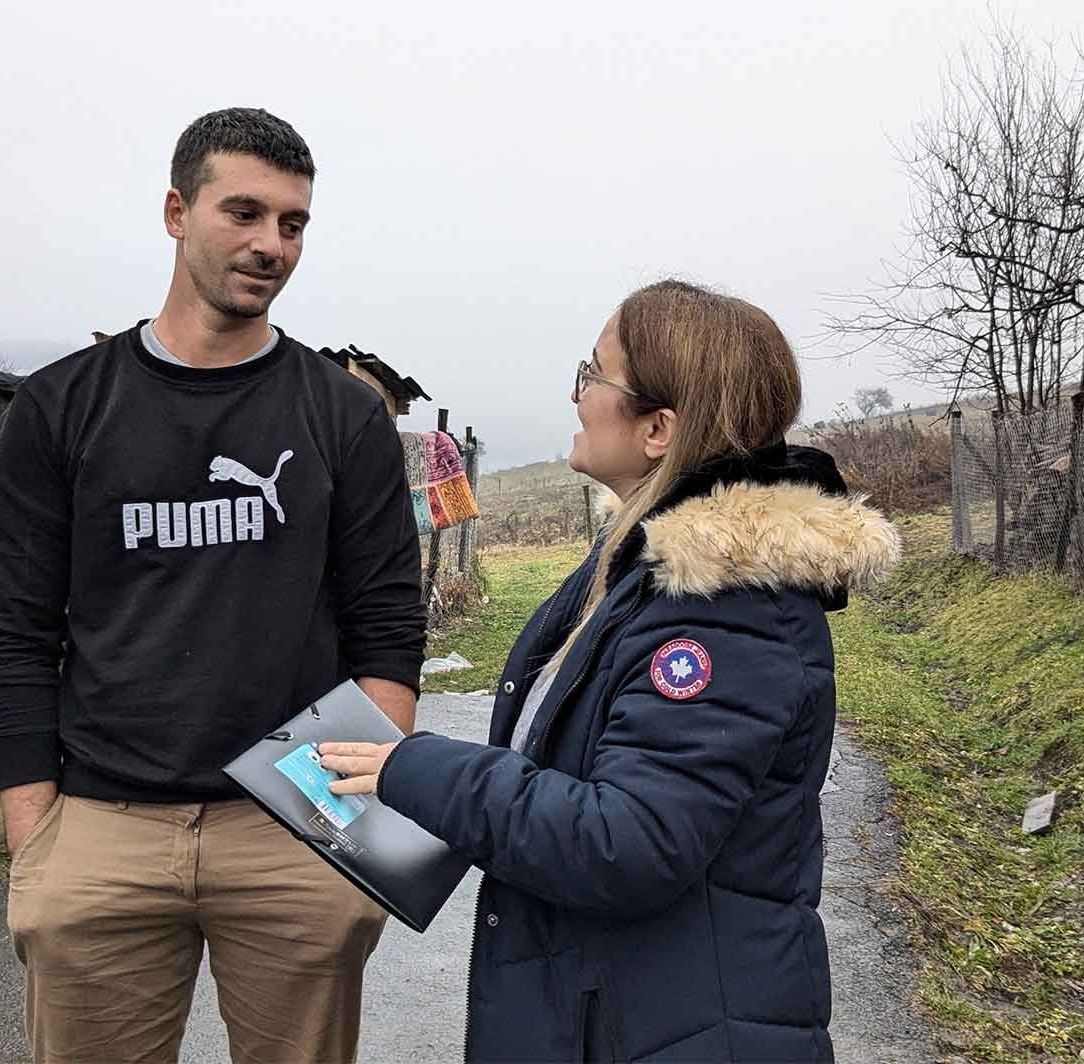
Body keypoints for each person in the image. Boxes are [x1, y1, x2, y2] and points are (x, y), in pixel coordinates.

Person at [321, 280, 902, 1062]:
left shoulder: (727, 607)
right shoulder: (645, 565)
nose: (576, 395)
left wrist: (420, 771)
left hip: (675, 1032)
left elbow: (629, 841)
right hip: (623, 1010)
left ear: (658, 427)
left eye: (592, 376)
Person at [0, 107, 425, 1064]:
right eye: (245, 213)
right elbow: (12, 627)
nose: (270, 245)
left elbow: (386, 622)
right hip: (101, 823)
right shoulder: (62, 404)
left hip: (296, 816)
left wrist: (360, 810)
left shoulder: (341, 414)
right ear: (177, 212)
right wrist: (36, 835)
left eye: (293, 224)